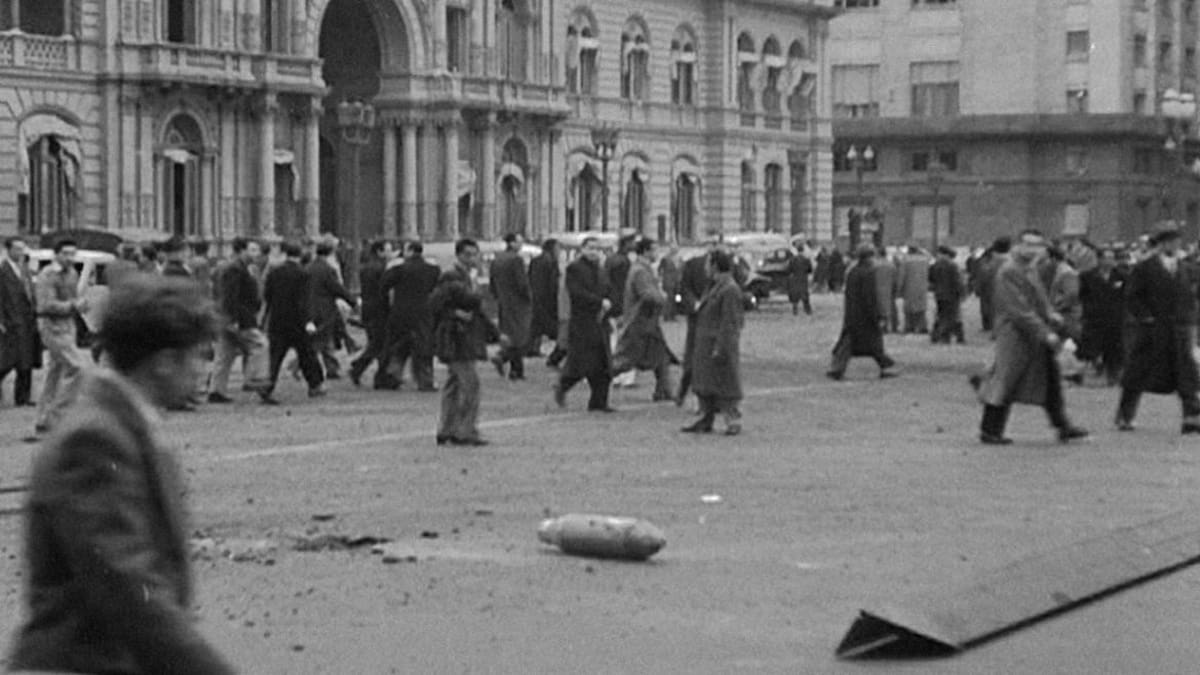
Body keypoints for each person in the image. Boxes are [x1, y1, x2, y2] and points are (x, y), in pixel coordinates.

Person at [7, 274, 236, 674]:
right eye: (199, 354)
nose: (205, 367)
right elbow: (124, 581)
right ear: (164, 362)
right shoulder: (95, 438)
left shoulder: (122, 421)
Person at [976, 229, 1088, 445]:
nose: (1033, 249)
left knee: (1049, 378)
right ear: (1018, 245)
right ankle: (989, 429)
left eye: (1037, 245)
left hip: (1031, 333)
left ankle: (1061, 424)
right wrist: (1045, 332)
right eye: (1028, 244)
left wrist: (1050, 315)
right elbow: (1018, 309)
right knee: (1005, 380)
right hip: (1015, 334)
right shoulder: (1010, 271)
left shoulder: (1028, 268)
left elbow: (1039, 298)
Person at [1114, 223, 1200, 433]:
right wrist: (1146, 317)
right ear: (1160, 245)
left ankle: (1191, 416)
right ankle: (1126, 414)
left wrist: (1189, 318)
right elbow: (1132, 296)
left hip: (1179, 329)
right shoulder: (1145, 268)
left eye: (1176, 241)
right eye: (1169, 241)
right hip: (1153, 330)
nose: (1174, 245)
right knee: (1137, 372)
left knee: (1186, 372)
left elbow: (1191, 295)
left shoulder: (1186, 268)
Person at [429, 239, 497, 446]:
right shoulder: (453, 276)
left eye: (474, 254)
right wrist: (456, 312)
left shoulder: (464, 276)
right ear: (458, 255)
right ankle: (465, 430)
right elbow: (437, 303)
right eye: (468, 254)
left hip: (461, 335)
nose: (472, 259)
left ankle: (447, 428)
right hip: (457, 337)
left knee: (454, 383)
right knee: (470, 384)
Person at [682, 249, 745, 435]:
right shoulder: (714, 286)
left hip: (718, 345)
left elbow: (730, 321)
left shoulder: (729, 289)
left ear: (715, 266)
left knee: (725, 384)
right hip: (706, 343)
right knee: (706, 384)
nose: (705, 268)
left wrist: (722, 346)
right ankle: (706, 418)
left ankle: (732, 420)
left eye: (708, 264)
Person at [31, 239, 89, 437]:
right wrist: (73, 306)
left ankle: (45, 419)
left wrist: (80, 304)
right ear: (56, 255)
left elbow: (72, 299)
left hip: (68, 326)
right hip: (52, 326)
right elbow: (46, 304)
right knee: (78, 367)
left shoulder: (73, 273)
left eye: (73, 253)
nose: (70, 258)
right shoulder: (47, 275)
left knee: (55, 373)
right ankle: (59, 415)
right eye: (65, 253)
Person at [554, 236, 615, 412]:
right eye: (590, 248)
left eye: (597, 248)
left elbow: (609, 289)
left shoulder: (601, 270)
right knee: (581, 364)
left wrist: (610, 303)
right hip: (582, 323)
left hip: (600, 322)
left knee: (603, 366)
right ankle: (563, 386)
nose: (594, 251)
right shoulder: (575, 268)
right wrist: (598, 302)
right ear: (582, 249)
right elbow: (576, 293)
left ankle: (599, 403)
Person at [261, 241, 326, 404]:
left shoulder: (274, 272)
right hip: (297, 321)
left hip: (277, 320)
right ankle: (314, 385)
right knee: (306, 355)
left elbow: (267, 295)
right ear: (299, 255)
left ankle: (267, 386)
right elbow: (306, 300)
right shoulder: (303, 274)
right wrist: (309, 320)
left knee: (275, 356)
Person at [612, 237, 675, 401]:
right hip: (639, 321)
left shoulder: (644, 268)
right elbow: (647, 294)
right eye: (654, 249)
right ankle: (597, 377)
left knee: (661, 356)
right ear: (646, 251)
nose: (657, 253)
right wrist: (662, 297)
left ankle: (664, 390)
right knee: (626, 360)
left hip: (648, 321)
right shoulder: (640, 270)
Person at [208, 237, 269, 403]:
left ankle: (216, 390)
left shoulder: (238, 267)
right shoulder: (234, 269)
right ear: (241, 250)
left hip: (229, 316)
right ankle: (255, 378)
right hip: (239, 316)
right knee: (260, 344)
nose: (255, 254)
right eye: (252, 250)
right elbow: (231, 296)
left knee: (225, 353)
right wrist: (233, 319)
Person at [826, 244, 898, 381]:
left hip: (853, 314)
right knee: (873, 344)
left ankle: (837, 368)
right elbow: (870, 297)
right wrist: (877, 314)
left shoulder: (853, 272)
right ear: (869, 257)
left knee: (849, 344)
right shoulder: (868, 273)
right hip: (865, 316)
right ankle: (886, 366)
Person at [379, 241, 441, 391]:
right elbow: (436, 288)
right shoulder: (433, 270)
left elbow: (383, 285)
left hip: (401, 311)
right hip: (423, 311)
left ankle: (393, 375)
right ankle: (425, 380)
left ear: (410, 251)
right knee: (424, 347)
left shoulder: (399, 269)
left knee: (399, 345)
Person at [307, 240, 355, 380]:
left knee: (320, 339)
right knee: (325, 340)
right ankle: (330, 368)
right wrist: (352, 301)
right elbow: (336, 288)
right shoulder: (327, 270)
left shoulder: (309, 267)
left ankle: (331, 368)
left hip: (311, 307)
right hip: (325, 308)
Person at [349, 239, 395, 386]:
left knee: (378, 343)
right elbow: (384, 290)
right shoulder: (381, 269)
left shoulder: (366, 267)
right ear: (380, 252)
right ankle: (361, 368)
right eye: (388, 250)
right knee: (380, 343)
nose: (391, 253)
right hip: (380, 310)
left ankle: (381, 375)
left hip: (369, 308)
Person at [0, 236, 39, 408]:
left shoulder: (25, 269)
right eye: (17, 249)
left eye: (23, 249)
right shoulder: (3, 270)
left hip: (27, 320)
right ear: (8, 250)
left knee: (26, 360)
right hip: (10, 320)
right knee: (7, 361)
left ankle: (23, 397)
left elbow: (30, 294)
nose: (20, 252)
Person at [1078, 246, 1126, 384]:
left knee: (1115, 348)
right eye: (1106, 258)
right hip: (1094, 318)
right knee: (1093, 347)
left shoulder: (1121, 276)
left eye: (1112, 258)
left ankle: (1114, 373)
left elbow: (1126, 296)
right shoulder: (1086, 276)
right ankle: (1096, 369)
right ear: (1099, 259)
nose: (1109, 261)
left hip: (1115, 318)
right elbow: (1082, 296)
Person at [489, 232, 533, 380]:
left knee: (510, 335)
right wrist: (528, 297)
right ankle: (504, 358)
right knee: (520, 336)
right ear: (512, 243)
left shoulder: (497, 259)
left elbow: (492, 282)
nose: (521, 244)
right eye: (519, 242)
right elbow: (522, 283)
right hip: (517, 303)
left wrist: (497, 296)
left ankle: (516, 369)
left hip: (503, 301)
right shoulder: (516, 260)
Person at [675, 244, 714, 405]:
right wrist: (694, 304)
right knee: (692, 358)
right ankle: (683, 392)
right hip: (697, 317)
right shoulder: (693, 264)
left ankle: (707, 399)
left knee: (711, 360)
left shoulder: (727, 265)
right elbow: (684, 287)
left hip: (713, 318)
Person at [528, 238, 563, 367]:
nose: (559, 252)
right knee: (556, 330)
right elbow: (553, 284)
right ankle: (557, 355)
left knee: (536, 327)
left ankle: (531, 348)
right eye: (558, 249)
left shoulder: (535, 261)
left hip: (537, 298)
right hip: (547, 300)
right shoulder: (551, 262)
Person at [929, 245, 966, 344]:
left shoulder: (935, 265)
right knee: (953, 316)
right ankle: (950, 336)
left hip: (939, 294)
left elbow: (931, 279)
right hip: (951, 294)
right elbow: (957, 281)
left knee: (940, 315)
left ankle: (936, 336)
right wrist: (962, 292)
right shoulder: (952, 265)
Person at [976, 237, 1011, 333]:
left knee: (992, 310)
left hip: (992, 289)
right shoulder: (1012, 260)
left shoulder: (992, 261)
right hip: (1008, 290)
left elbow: (985, 274)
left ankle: (994, 329)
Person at [897, 244, 930, 333]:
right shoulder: (924, 260)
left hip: (909, 287)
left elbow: (902, 276)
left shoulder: (905, 260)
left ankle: (909, 326)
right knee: (921, 308)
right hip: (922, 287)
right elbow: (929, 257)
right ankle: (922, 326)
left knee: (909, 309)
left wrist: (899, 288)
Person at [873, 247, 899, 333]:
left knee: (879, 310)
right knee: (891, 309)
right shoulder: (891, 265)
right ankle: (893, 327)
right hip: (889, 289)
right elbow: (895, 279)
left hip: (877, 289)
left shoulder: (874, 265)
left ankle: (881, 327)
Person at [785, 245, 813, 316]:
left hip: (795, 279)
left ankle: (795, 311)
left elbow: (788, 270)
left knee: (795, 296)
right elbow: (810, 270)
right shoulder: (806, 260)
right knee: (805, 296)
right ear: (803, 250)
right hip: (803, 279)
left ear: (797, 250)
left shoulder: (793, 260)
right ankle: (808, 311)